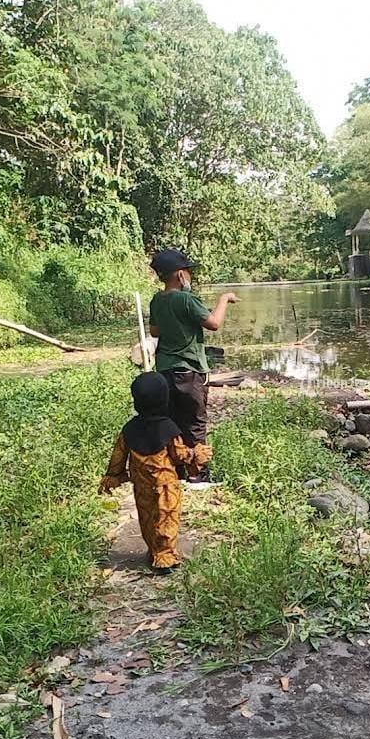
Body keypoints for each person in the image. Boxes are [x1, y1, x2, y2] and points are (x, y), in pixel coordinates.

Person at [99, 372, 211, 573]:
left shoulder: (130, 429)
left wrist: (113, 475)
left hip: (141, 486)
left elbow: (118, 454)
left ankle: (154, 550)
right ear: (164, 399)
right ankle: (165, 556)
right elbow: (179, 455)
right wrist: (196, 454)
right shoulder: (168, 428)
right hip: (166, 486)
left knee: (147, 517)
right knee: (166, 517)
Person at [147, 246, 238, 482]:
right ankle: (198, 475)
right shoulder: (187, 299)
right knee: (195, 423)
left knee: (173, 421)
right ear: (180, 275)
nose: (190, 276)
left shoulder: (157, 300)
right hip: (189, 371)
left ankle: (176, 470)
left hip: (165, 371)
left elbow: (154, 330)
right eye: (189, 272)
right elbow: (214, 323)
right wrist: (224, 299)